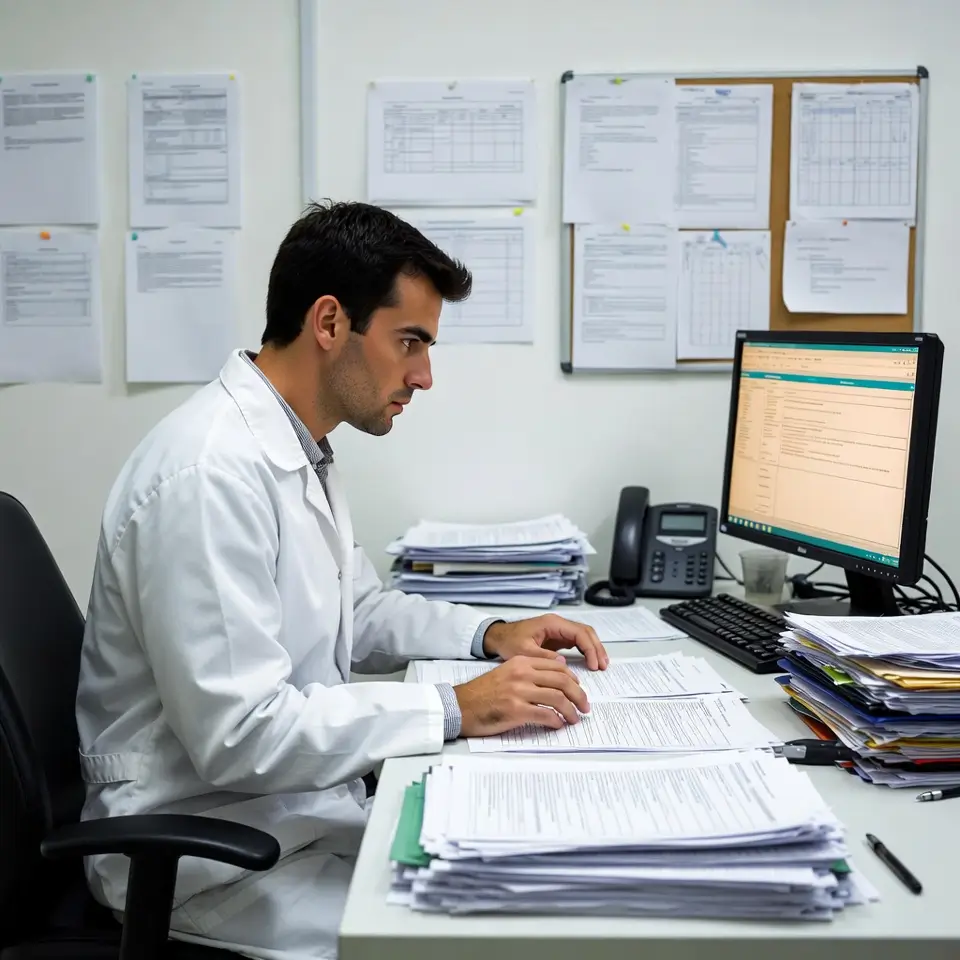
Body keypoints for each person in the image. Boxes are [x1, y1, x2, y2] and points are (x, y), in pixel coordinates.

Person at [76, 200, 609, 960]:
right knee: (487, 937)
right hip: (204, 859)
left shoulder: (297, 448)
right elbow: (241, 734)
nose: (423, 376)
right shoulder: (208, 474)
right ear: (329, 323)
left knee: (527, 881)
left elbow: (353, 608)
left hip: (282, 822)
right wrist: (455, 707)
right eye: (411, 342)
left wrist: (487, 634)